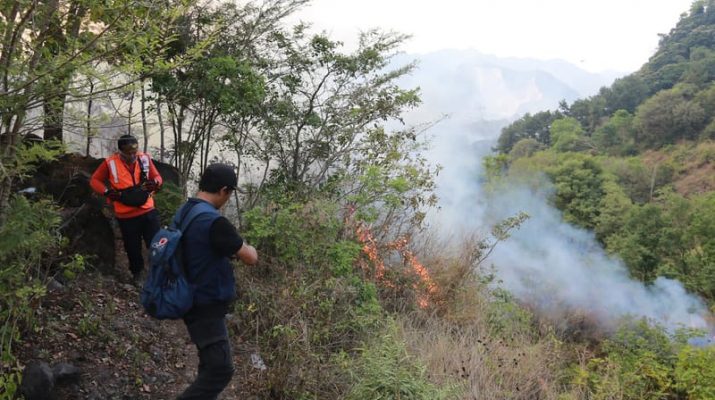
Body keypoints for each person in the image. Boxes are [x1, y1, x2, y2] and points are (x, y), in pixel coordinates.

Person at [176, 163, 258, 399]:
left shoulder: (186, 210)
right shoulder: (214, 222)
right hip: (206, 304)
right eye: (230, 194)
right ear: (224, 190)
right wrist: (247, 247)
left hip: (190, 297)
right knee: (221, 370)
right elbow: (250, 257)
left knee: (209, 364)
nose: (229, 199)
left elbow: (198, 246)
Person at [89, 134, 163, 284]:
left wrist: (155, 182)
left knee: (157, 244)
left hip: (148, 210)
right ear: (120, 152)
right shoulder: (110, 163)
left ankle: (162, 273)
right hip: (126, 214)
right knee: (132, 247)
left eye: (134, 152)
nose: (132, 156)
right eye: (128, 153)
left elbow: (158, 177)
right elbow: (95, 180)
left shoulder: (144, 159)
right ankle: (138, 274)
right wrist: (107, 192)